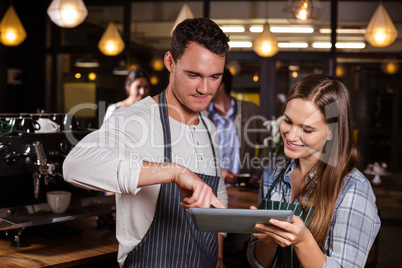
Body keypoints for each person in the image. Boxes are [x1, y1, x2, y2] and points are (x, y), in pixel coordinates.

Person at [63, 18, 230, 267]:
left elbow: (217, 193)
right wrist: (173, 172)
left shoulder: (208, 127)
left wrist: (218, 255)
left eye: (214, 76)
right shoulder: (133, 119)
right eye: (193, 75)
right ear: (170, 62)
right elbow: (74, 166)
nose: (205, 89)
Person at [247, 74, 380, 268]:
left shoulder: (353, 189)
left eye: (307, 130)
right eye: (288, 121)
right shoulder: (272, 171)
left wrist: (303, 241)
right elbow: (256, 262)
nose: (291, 136)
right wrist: (267, 241)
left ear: (332, 131)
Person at [204, 68, 269, 187]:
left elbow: (267, 143)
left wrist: (256, 174)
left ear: (220, 85)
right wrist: (214, 172)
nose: (203, 89)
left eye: (208, 83)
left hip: (242, 187)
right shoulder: (201, 114)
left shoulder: (250, 109)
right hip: (210, 186)